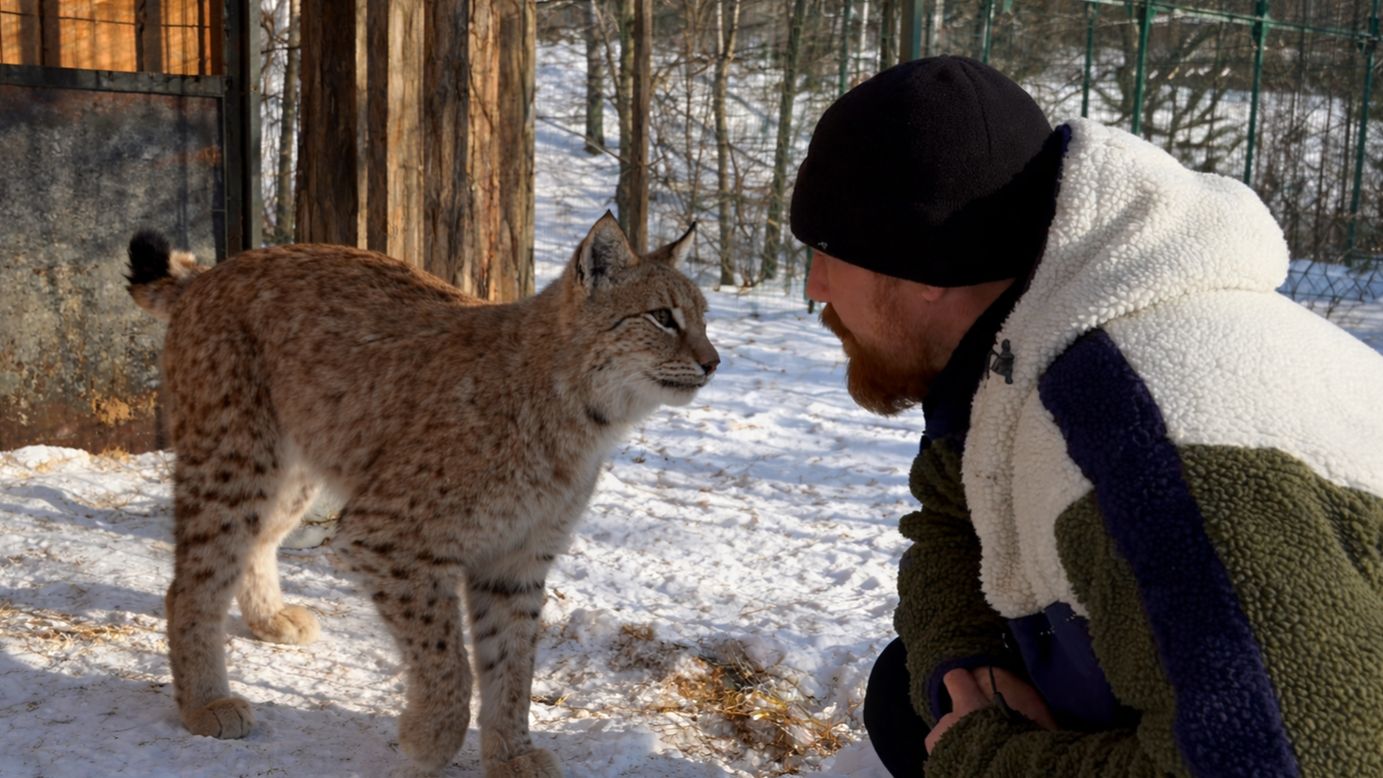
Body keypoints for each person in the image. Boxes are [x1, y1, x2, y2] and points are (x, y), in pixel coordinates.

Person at [790, 55, 1383, 777]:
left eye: (827, 253)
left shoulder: (1138, 450)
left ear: (920, 271)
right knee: (910, 693)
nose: (817, 287)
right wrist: (962, 657)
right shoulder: (1027, 347)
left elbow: (1293, 764)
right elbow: (951, 516)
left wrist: (991, 761)